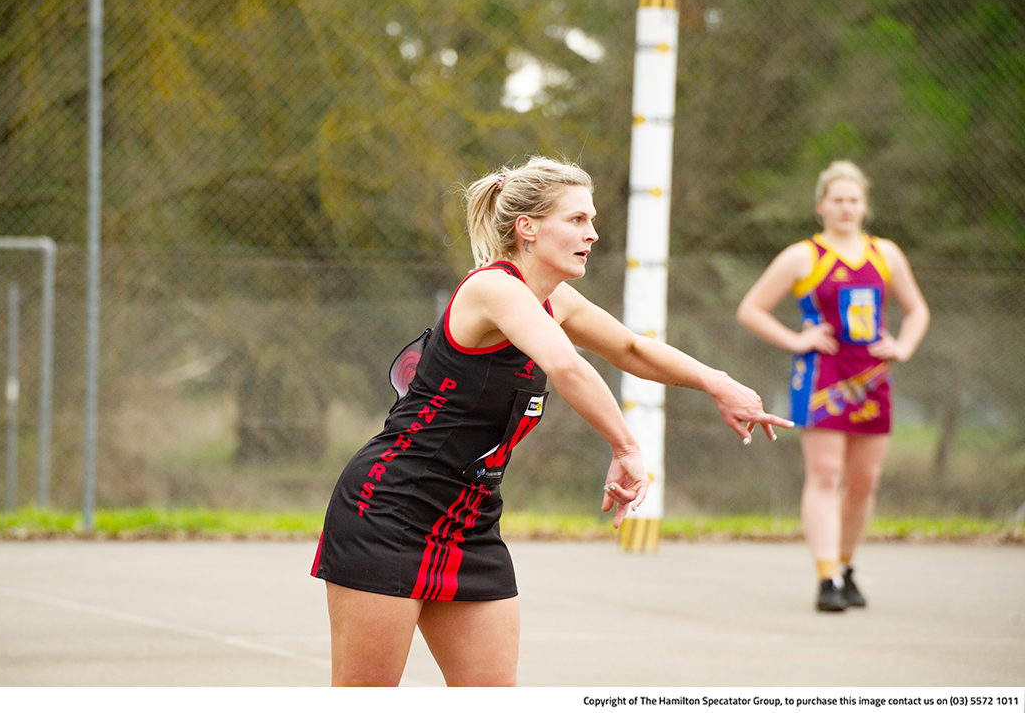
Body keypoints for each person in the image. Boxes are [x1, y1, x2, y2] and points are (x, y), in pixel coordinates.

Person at [311, 156, 793, 686]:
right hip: (389, 510)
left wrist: (717, 382)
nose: (592, 233)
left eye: (591, 220)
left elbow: (630, 348)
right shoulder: (491, 289)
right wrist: (627, 447)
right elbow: (565, 365)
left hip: (469, 523)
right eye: (577, 220)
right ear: (528, 228)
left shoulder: (554, 300)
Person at [736, 159, 930, 613]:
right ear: (822, 205)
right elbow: (752, 309)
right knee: (826, 475)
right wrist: (796, 339)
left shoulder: (886, 254)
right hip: (823, 378)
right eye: (838, 199)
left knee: (864, 481)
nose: (846, 208)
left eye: (854, 200)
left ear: (865, 206)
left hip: (873, 378)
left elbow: (917, 310)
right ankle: (826, 576)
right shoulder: (805, 255)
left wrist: (903, 345)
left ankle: (846, 565)